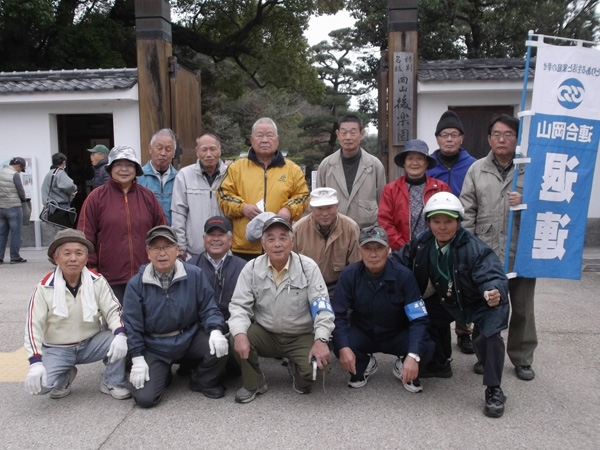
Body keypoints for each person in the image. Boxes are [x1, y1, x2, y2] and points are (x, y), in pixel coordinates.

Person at [393, 192, 510, 418]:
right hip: (448, 299)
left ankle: (494, 389)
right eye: (436, 221)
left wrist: (493, 290)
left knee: (489, 336)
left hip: (479, 301)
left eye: (449, 221)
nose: (442, 227)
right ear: (428, 223)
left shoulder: (475, 248)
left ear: (458, 221)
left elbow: (491, 274)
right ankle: (440, 362)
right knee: (421, 316)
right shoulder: (422, 242)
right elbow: (397, 261)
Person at [460, 114, 538, 382]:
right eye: (496, 134)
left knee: (523, 308)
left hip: (521, 250)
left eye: (508, 134)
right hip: (485, 251)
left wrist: (526, 201)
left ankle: (522, 358)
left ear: (517, 138)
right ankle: (485, 355)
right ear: (489, 138)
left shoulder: (531, 168)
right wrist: (468, 249)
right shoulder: (477, 169)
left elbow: (548, 208)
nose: (501, 139)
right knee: (486, 305)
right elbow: (467, 210)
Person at [228, 216, 334, 403]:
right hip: (266, 333)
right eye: (271, 239)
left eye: (283, 238)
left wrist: (321, 339)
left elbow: (322, 307)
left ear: (292, 242)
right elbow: (239, 306)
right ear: (263, 243)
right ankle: (255, 382)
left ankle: (298, 369)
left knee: (316, 372)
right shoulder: (251, 268)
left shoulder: (307, 267)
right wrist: (239, 334)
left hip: (300, 335)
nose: (277, 244)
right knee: (236, 336)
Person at [122, 226, 229, 407]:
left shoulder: (194, 274)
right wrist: (137, 357)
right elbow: (132, 325)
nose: (162, 253)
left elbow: (209, 307)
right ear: (148, 252)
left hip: (189, 337)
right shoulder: (136, 284)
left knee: (221, 347)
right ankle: (162, 374)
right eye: (156, 248)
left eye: (167, 247)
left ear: (177, 250)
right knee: (145, 399)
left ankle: (201, 380)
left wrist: (216, 330)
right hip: (155, 346)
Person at [23, 229, 130, 400]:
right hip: (57, 349)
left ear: (86, 258)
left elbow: (113, 310)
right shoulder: (44, 288)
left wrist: (120, 333)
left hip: (90, 343)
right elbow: (32, 326)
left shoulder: (97, 281)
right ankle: (64, 375)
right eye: (67, 253)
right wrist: (35, 362)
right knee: (40, 386)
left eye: (79, 253)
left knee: (123, 338)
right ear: (56, 258)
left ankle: (112, 381)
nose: (73, 258)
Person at [332, 225, 434, 393]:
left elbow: (419, 318)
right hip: (363, 333)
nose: (373, 254)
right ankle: (364, 365)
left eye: (379, 248)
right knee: (338, 341)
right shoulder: (349, 275)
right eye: (367, 248)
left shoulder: (404, 276)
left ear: (388, 249)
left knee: (426, 346)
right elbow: (338, 314)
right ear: (360, 251)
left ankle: (404, 365)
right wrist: (343, 347)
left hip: (396, 334)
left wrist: (414, 355)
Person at [78, 146, 166, 303]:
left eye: (129, 165)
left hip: (146, 276)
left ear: (136, 169)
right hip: (109, 278)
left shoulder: (148, 197)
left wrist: (161, 263)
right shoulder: (96, 198)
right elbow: (85, 236)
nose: (124, 169)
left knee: (147, 323)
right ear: (110, 168)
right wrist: (92, 269)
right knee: (114, 322)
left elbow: (161, 233)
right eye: (119, 164)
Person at [217, 118, 309, 260]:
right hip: (244, 247)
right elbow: (223, 195)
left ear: (277, 139)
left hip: (279, 246)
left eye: (270, 135)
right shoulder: (236, 168)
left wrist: (288, 209)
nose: (265, 140)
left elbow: (302, 195)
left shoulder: (292, 169)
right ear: (252, 139)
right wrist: (242, 207)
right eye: (260, 135)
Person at [427, 111, 478, 356]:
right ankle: (438, 329)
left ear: (462, 138)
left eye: (454, 135)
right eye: (444, 135)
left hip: (464, 228)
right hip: (436, 229)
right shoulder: (428, 165)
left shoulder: (473, 165)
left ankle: (464, 331)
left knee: (463, 280)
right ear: (437, 138)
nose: (449, 139)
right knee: (438, 279)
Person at [187, 216, 247, 377]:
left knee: (234, 373)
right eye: (211, 234)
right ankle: (199, 374)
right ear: (203, 238)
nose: (215, 239)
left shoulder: (244, 267)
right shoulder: (190, 267)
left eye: (221, 235)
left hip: (232, 327)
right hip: (201, 329)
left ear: (230, 239)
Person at [378, 139, 450, 251]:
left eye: (420, 159)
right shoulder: (390, 190)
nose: (415, 163)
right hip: (402, 251)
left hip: (435, 249)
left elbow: (449, 218)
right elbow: (385, 222)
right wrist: (405, 247)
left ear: (426, 163)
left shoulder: (442, 188)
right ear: (404, 163)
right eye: (410, 158)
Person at [317, 114, 386, 228]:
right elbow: (319, 203)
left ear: (362, 134)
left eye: (353, 132)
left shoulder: (375, 165)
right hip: (334, 231)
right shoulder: (326, 165)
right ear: (338, 134)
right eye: (344, 133)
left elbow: (383, 204)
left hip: (366, 234)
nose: (348, 137)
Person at [293, 187, 360, 297]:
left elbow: (355, 266)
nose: (325, 213)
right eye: (319, 208)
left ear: (337, 207)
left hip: (340, 286)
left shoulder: (351, 227)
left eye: (329, 208)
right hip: (306, 286)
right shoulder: (297, 229)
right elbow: (292, 266)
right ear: (311, 208)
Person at [172, 133, 228, 259]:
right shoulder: (184, 175)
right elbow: (178, 213)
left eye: (213, 149)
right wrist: (180, 246)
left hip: (226, 252)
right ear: (197, 152)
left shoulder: (231, 174)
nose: (208, 154)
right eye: (204, 149)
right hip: (194, 252)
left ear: (220, 150)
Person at [137, 129, 178, 225]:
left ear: (174, 153)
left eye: (168, 149)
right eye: (159, 148)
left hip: (172, 236)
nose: (163, 153)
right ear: (150, 149)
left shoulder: (180, 178)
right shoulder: (138, 177)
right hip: (147, 235)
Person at [0, 157, 28, 264]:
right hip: (14, 207)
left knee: (2, 234)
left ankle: (0, 257)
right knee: (16, 234)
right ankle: (15, 257)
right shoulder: (14, 174)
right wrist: (24, 200)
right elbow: (20, 190)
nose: (20, 171)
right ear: (18, 166)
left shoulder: (0, 172)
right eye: (21, 169)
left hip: (1, 208)